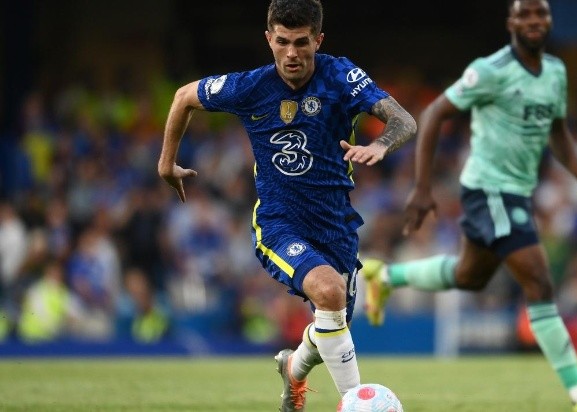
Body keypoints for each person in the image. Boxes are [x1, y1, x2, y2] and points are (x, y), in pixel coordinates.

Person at [361, 1, 577, 411]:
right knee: (539, 282)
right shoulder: (490, 70)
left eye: (541, 14)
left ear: (549, 21)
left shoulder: (555, 71)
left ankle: (386, 276)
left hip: (516, 192)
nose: (535, 22)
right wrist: (423, 187)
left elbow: (556, 132)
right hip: (489, 190)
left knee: (469, 275)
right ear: (511, 22)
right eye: (526, 14)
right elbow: (432, 114)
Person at [157, 1, 416, 410]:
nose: (291, 53)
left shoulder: (341, 76)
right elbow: (183, 96)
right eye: (282, 42)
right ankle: (356, 401)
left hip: (336, 223)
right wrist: (166, 162)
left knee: (332, 322)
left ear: (318, 39)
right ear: (268, 39)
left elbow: (404, 120)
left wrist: (381, 145)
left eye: (301, 42)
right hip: (280, 222)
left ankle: (293, 369)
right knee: (328, 292)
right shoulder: (250, 87)